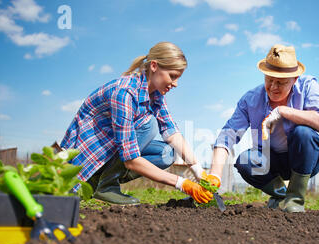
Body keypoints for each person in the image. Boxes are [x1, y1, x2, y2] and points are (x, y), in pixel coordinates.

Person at [61, 42, 213, 205]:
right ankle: (104, 185)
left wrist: (198, 171)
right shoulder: (124, 92)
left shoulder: (155, 95)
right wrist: (182, 183)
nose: (175, 83)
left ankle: (103, 181)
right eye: (173, 76)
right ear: (154, 66)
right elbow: (130, 159)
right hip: (89, 156)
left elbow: (171, 131)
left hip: (113, 149)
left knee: (167, 153)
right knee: (149, 125)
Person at [207, 44, 319, 213]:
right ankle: (282, 195)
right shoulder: (251, 100)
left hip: (305, 159)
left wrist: (283, 111)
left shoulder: (308, 86)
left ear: (295, 80)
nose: (273, 87)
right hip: (271, 162)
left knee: (303, 133)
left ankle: (295, 200)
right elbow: (228, 134)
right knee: (246, 160)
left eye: (280, 82)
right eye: (269, 80)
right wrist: (214, 175)